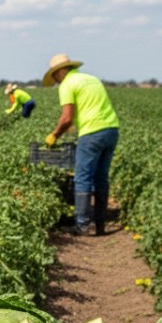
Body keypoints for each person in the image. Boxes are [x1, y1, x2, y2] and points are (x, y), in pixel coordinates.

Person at [42, 53, 119, 236]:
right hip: (111, 130)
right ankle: (100, 225)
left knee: (82, 178)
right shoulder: (92, 79)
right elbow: (91, 106)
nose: (56, 81)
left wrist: (54, 135)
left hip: (91, 133)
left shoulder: (68, 84)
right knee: (101, 177)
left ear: (60, 72)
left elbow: (66, 117)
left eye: (54, 76)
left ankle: (82, 225)